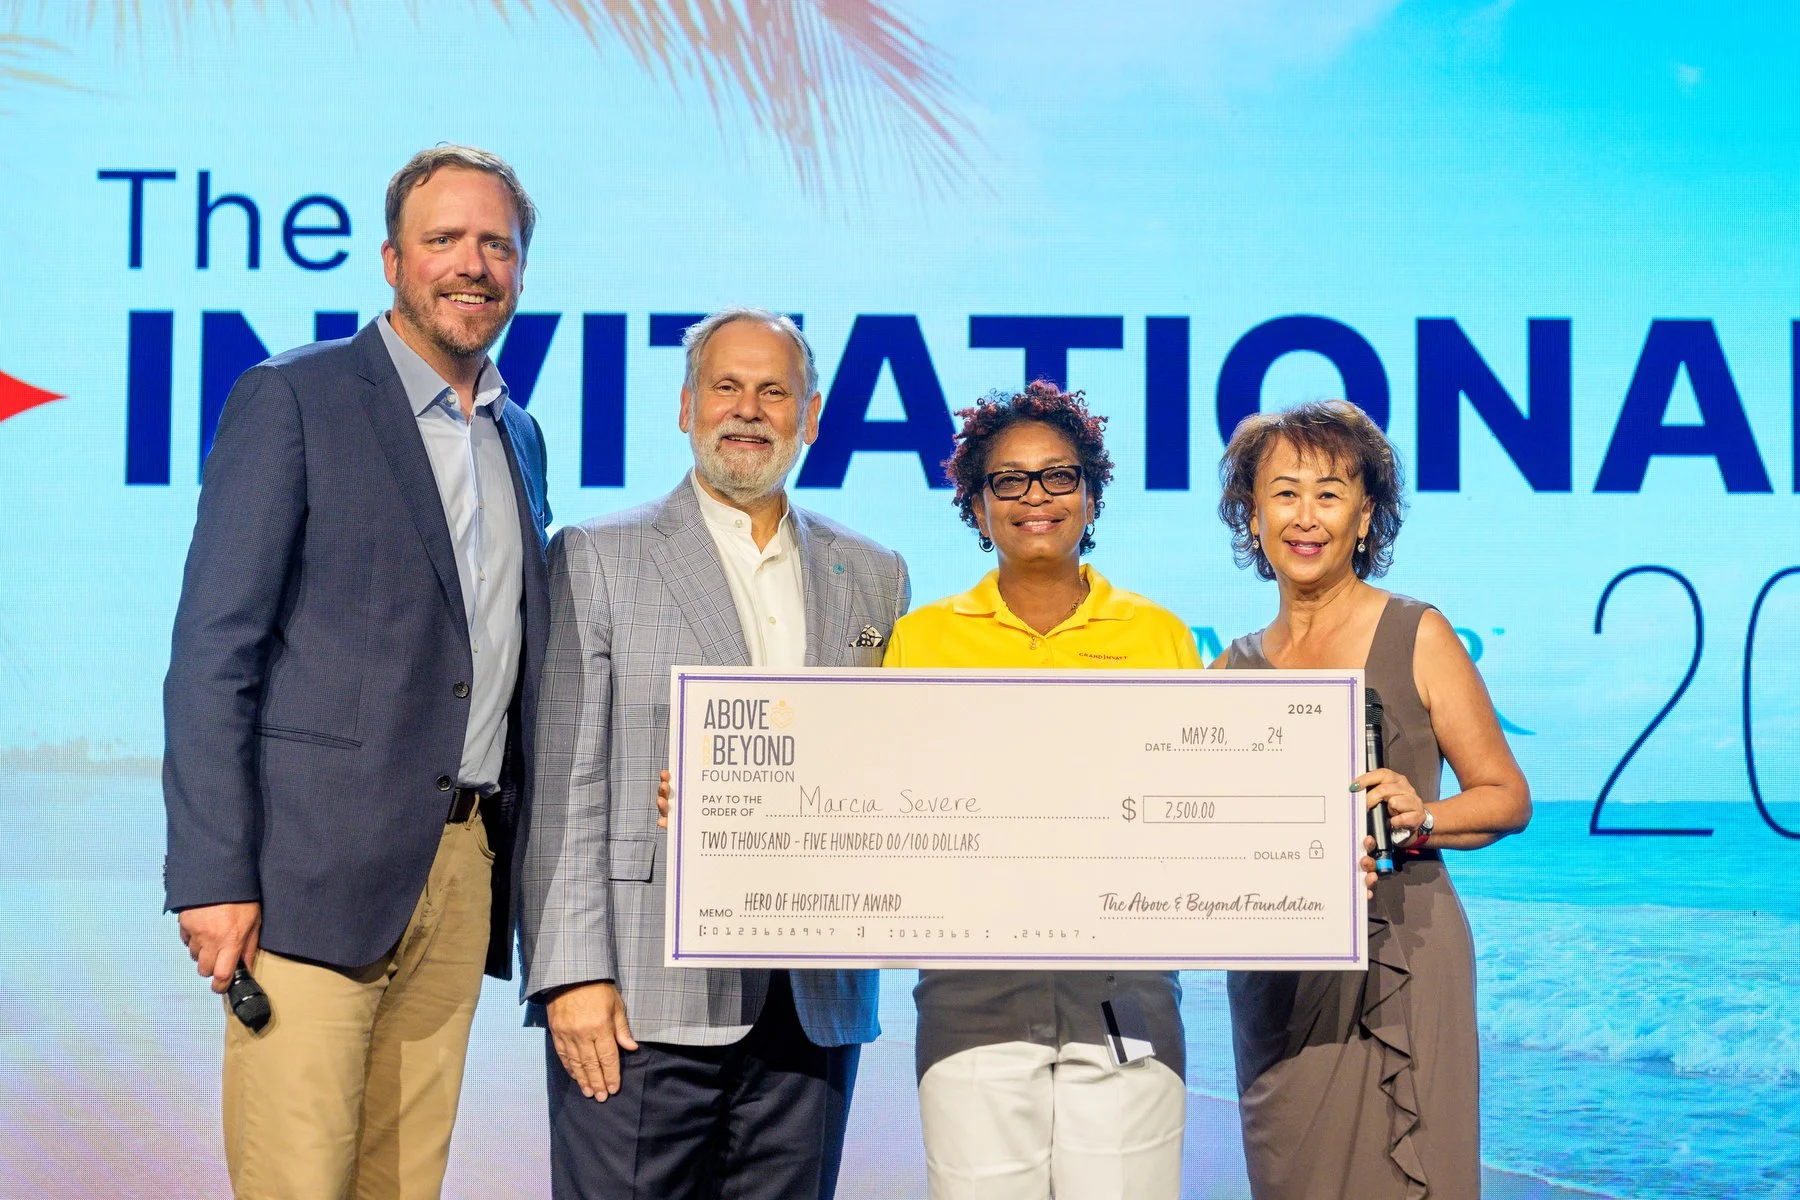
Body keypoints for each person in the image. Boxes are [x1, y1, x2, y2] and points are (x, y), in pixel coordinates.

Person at [162, 145, 551, 1197]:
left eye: (496, 245)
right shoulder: (294, 397)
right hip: (308, 879)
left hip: (462, 871)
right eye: (444, 240)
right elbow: (214, 652)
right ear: (391, 260)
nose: (472, 265)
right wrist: (213, 876)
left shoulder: (519, 434)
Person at [517, 307, 910, 1200]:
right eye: (726, 387)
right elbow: (563, 781)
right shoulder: (598, 555)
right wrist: (572, 975)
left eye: (774, 392)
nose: (748, 410)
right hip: (640, 1000)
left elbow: (889, 765)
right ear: (686, 406)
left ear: (812, 417)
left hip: (813, 1001)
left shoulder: (874, 573)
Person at [881, 381, 1199, 1200]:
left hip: (1127, 998)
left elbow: (1196, 812)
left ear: (1091, 496)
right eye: (1009, 480)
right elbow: (885, 808)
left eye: (1059, 476)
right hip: (971, 1000)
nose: (1036, 498)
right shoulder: (921, 640)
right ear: (976, 505)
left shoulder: (1159, 636)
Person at [1213, 399, 1532, 1199]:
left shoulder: (1419, 633)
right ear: (1252, 517)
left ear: (1364, 518)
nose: (1306, 516)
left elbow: (1505, 797)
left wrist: (1423, 816)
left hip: (1404, 956)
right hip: (1280, 979)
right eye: (1284, 493)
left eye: (1330, 494)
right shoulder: (1227, 672)